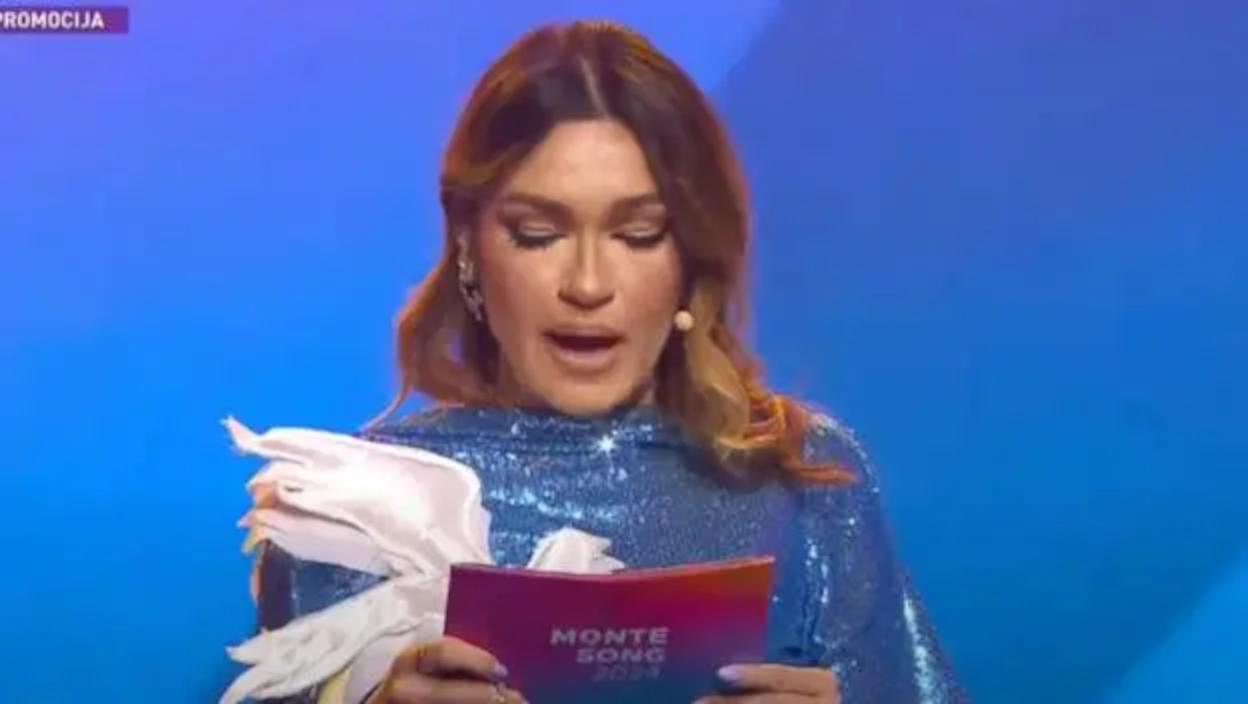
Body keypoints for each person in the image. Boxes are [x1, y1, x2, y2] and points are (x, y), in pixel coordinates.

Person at [228, 19, 966, 704]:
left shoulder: (805, 482)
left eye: (638, 235)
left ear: (691, 256)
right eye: (538, 234)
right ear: (468, 247)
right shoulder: (352, 507)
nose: (587, 284)